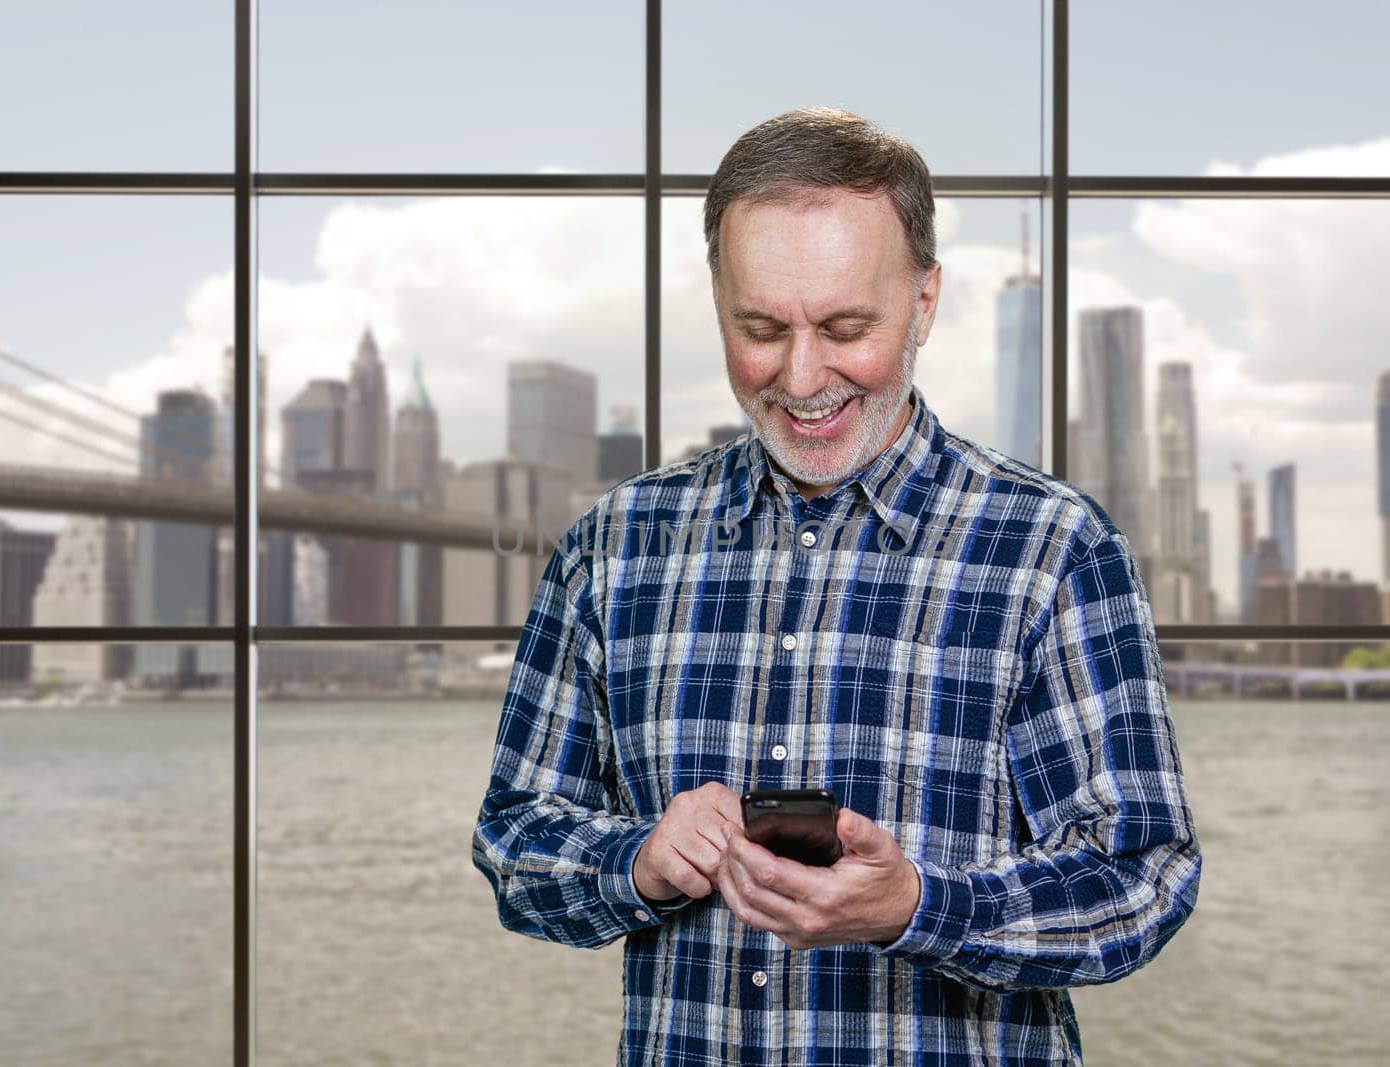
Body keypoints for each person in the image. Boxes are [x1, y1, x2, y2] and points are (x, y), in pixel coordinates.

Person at [472, 106, 1201, 1066]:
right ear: (718, 305)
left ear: (926, 301)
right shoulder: (613, 547)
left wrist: (920, 908)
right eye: (761, 329)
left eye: (847, 327)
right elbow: (516, 842)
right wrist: (636, 864)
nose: (803, 375)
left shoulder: (1054, 550)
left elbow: (1141, 877)